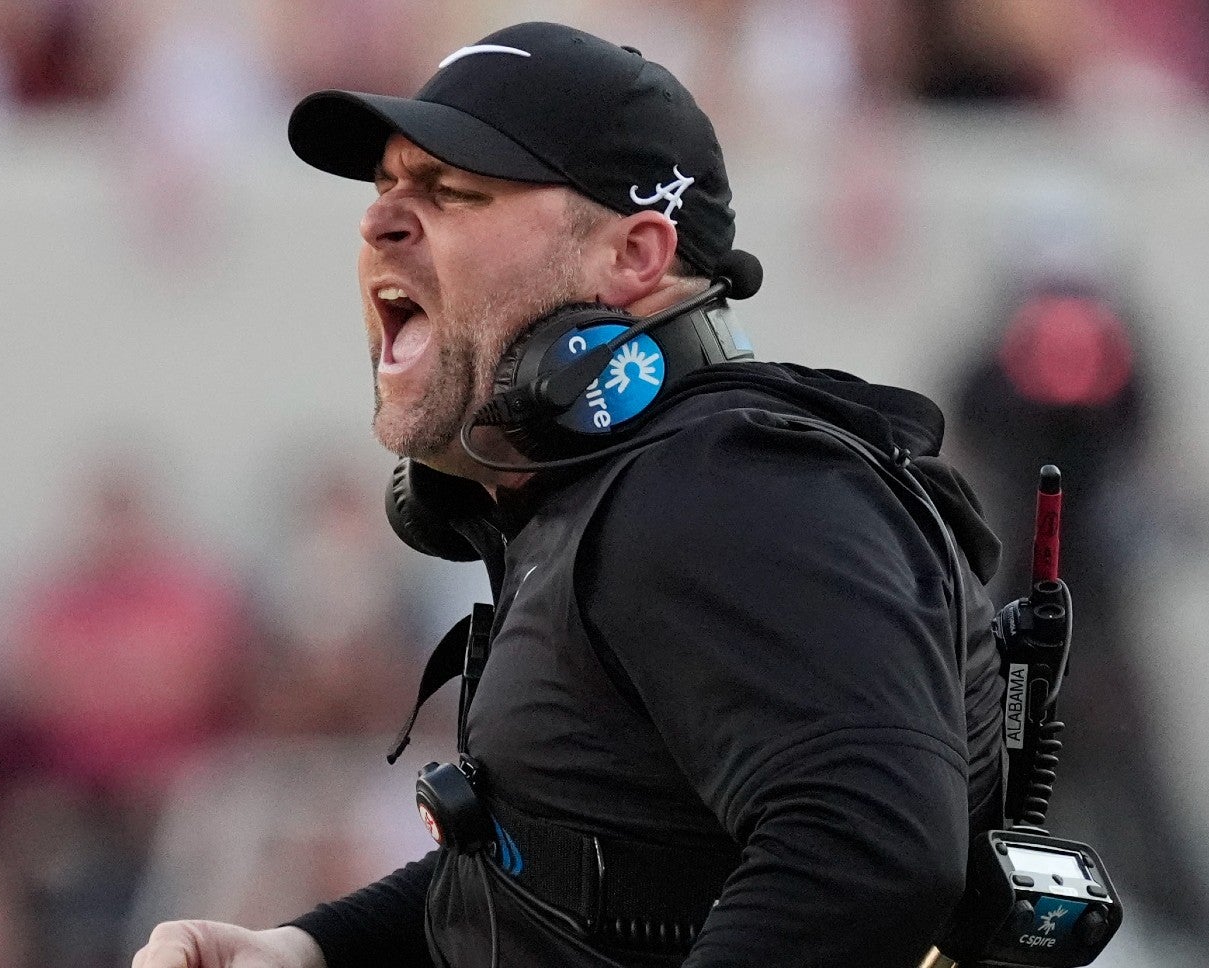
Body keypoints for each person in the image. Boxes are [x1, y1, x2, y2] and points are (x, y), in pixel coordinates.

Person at [134, 20, 1005, 968]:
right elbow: (565, 866)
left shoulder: (725, 489)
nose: (378, 219)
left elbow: (869, 856)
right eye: (386, 185)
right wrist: (311, 949)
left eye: (452, 190)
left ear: (634, 255)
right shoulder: (614, 492)